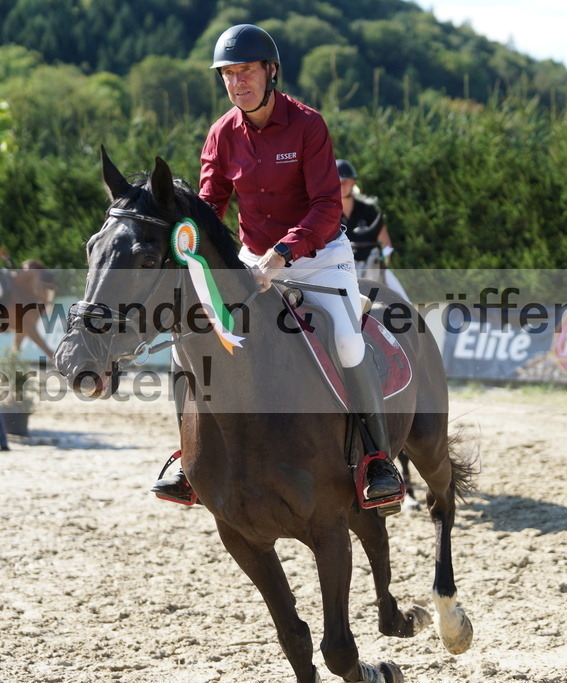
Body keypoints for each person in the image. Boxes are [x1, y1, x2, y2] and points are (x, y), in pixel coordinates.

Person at [151, 23, 403, 510]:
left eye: (246, 70)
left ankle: (377, 457)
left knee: (348, 339)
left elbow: (328, 205)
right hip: (252, 260)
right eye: (228, 73)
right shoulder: (222, 134)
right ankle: (190, 459)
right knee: (189, 345)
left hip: (320, 258)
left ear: (270, 71)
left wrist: (282, 254)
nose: (237, 82)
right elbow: (210, 206)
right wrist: (196, 253)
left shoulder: (308, 125)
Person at [337, 159, 409, 300]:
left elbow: (387, 245)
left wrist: (382, 263)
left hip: (372, 265)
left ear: (353, 182)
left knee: (404, 300)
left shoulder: (369, 210)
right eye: (338, 182)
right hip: (342, 270)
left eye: (345, 181)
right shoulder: (327, 212)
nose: (342, 186)